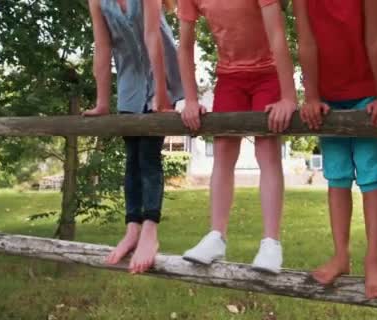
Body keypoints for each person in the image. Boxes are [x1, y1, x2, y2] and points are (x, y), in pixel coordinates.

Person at [177, 0, 297, 274]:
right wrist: (191, 100)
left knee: (267, 150)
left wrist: (289, 97)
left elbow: (278, 35)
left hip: (268, 73)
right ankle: (216, 236)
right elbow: (183, 47)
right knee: (223, 152)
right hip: (229, 78)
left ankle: (271, 243)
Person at [292, 0, 377, 298]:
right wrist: (311, 96)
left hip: (368, 91)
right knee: (336, 175)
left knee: (370, 172)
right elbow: (306, 42)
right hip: (328, 96)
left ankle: (373, 261)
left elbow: (375, 38)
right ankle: (341, 256)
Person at [84, 0, 184, 274]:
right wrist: (102, 102)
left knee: (149, 156)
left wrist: (161, 97)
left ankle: (150, 230)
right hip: (130, 81)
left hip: (162, 75)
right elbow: (102, 47)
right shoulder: (97, 2)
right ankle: (132, 229)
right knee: (132, 159)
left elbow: (153, 37)